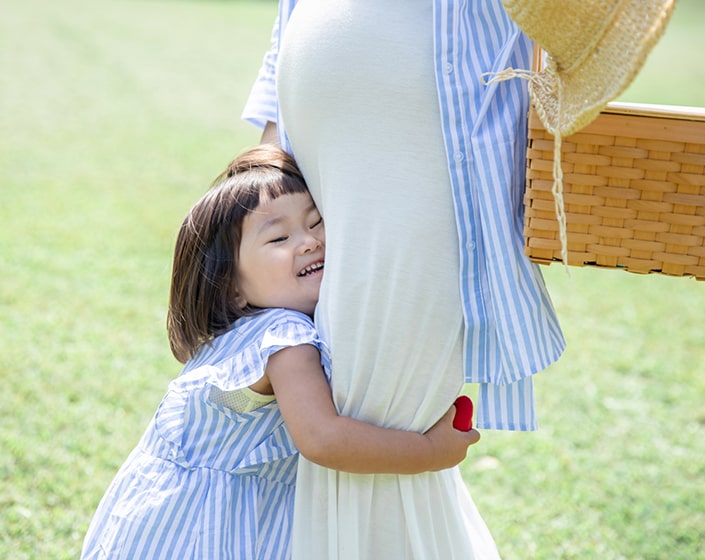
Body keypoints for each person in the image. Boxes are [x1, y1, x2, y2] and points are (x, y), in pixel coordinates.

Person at [243, 1, 567, 558]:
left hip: (423, 132)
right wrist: (269, 159)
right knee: (340, 396)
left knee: (375, 401)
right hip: (316, 156)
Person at [79, 145, 480, 559]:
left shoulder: (233, 337)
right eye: (279, 237)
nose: (308, 243)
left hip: (153, 517)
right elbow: (323, 439)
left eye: (316, 222)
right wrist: (429, 453)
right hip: (206, 531)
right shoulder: (284, 338)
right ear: (231, 286)